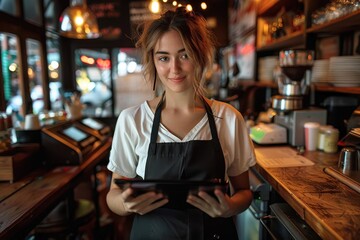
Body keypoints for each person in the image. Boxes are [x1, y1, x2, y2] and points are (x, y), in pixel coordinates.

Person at [106, 7, 256, 240]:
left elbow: (244, 192)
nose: (174, 68)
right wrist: (125, 205)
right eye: (163, 57)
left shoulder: (228, 118)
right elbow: (113, 194)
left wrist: (230, 207)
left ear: (200, 55)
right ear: (153, 61)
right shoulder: (132, 120)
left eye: (184, 55)